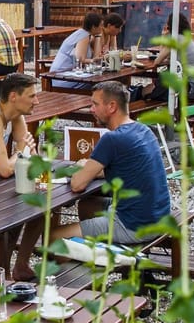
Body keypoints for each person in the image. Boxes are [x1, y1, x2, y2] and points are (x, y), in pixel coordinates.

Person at [52, 80, 172, 244]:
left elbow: (77, 184)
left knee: (54, 237)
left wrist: (82, 168)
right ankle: (96, 252)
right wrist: (92, 169)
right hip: (159, 217)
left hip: (134, 225)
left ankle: (89, 263)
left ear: (112, 106)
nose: (91, 109)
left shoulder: (112, 139)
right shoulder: (143, 130)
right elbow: (123, 168)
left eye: (95, 104)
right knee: (87, 205)